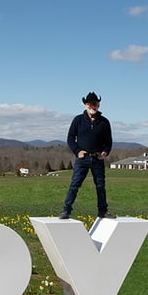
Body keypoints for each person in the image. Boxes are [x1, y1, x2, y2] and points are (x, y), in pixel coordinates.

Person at [59, 91, 116, 220]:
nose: (92, 106)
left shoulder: (104, 122)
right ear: (85, 105)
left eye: (95, 104)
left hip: (97, 159)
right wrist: (77, 151)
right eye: (90, 104)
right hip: (82, 159)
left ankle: (103, 211)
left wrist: (105, 153)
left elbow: (109, 142)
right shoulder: (78, 120)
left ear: (98, 105)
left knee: (100, 186)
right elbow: (70, 138)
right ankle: (66, 211)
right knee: (75, 185)